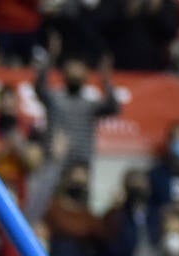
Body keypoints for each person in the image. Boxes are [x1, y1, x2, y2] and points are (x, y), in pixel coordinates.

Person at [33, 37, 120, 172]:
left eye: (79, 69)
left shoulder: (90, 105)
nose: (76, 72)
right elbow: (39, 87)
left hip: (81, 166)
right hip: (56, 162)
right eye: (72, 69)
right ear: (64, 74)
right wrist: (50, 58)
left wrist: (105, 80)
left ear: (85, 75)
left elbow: (113, 108)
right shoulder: (55, 99)